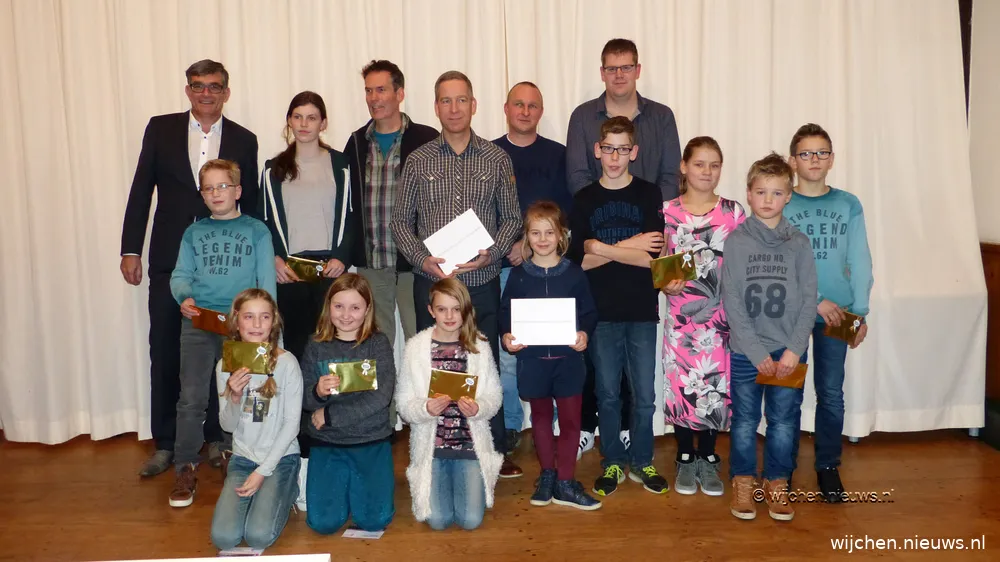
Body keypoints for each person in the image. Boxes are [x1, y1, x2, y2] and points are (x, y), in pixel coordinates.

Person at [120, 59, 259, 477]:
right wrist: (130, 249)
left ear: (226, 92)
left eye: (214, 86)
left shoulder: (244, 139)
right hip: (170, 261)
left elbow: (251, 203)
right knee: (165, 350)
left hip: (226, 267)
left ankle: (217, 438)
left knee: (221, 354)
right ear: (188, 90)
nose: (206, 93)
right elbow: (141, 188)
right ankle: (166, 443)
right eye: (198, 86)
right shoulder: (160, 129)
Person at [390, 70, 524, 478]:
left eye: (461, 99)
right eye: (446, 101)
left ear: (474, 105)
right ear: (436, 107)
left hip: (481, 283)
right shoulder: (418, 160)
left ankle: (494, 451)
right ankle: (433, 450)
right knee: (431, 364)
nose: (454, 108)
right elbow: (400, 221)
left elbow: (512, 217)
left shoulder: (497, 158)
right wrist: (420, 258)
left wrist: (492, 254)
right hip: (433, 285)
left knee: (485, 363)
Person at [259, 90, 354, 512]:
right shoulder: (272, 169)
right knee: (297, 356)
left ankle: (334, 436)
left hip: (331, 271)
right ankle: (299, 450)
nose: (304, 124)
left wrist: (343, 256)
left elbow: (353, 216)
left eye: (312, 117)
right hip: (292, 274)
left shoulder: (342, 165)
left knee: (333, 353)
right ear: (289, 121)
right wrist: (276, 259)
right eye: (297, 116)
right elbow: (265, 219)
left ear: (323, 122)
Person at [168, 159, 277, 507]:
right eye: (209, 188)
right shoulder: (193, 233)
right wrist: (184, 296)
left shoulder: (256, 230)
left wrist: (266, 326)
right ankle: (185, 466)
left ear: (238, 191)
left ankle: (239, 458)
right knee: (192, 397)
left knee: (244, 392)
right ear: (202, 194)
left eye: (223, 186)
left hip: (241, 327)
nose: (216, 193)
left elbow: (267, 283)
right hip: (199, 323)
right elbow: (180, 274)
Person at [567, 116, 667, 497]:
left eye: (622, 149)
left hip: (641, 309)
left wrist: (601, 247)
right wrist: (629, 245)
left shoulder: (649, 194)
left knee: (644, 395)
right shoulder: (584, 199)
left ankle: (642, 460)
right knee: (607, 393)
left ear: (634, 152)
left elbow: (651, 260)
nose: (614, 157)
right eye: (608, 148)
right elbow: (580, 262)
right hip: (601, 310)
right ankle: (611, 460)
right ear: (597, 150)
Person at [721, 153, 817, 522]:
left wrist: (794, 349)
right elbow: (732, 299)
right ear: (748, 193)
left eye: (777, 193)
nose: (767, 200)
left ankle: (777, 482)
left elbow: (809, 300)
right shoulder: (737, 241)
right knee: (745, 420)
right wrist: (755, 350)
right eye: (761, 192)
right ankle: (744, 481)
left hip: (788, 351)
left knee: (783, 420)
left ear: (788, 196)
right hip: (747, 352)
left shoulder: (799, 243)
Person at [783, 123, 874, 501]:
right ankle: (782, 467)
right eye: (806, 153)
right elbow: (780, 263)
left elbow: (860, 259)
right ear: (793, 161)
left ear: (832, 159)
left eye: (821, 152)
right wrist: (814, 298)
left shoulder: (848, 203)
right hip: (791, 311)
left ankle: (827, 466)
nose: (814, 159)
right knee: (786, 391)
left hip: (838, 313)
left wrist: (860, 312)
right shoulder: (782, 201)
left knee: (832, 392)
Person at [500, 201, 600, 510]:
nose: (542, 239)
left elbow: (589, 313)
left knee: (570, 423)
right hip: (532, 363)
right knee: (540, 420)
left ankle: (566, 482)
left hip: (568, 363)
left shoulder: (574, 274)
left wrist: (584, 334)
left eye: (549, 232)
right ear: (526, 237)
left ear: (561, 236)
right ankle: (547, 475)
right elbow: (506, 314)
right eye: (535, 233)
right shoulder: (518, 276)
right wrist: (507, 337)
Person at [661, 137, 745, 496]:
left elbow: (742, 264)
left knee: (714, 385)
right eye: (699, 164)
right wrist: (666, 284)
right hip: (681, 320)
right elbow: (660, 262)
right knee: (682, 385)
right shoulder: (667, 212)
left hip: (719, 321)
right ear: (684, 167)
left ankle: (708, 456)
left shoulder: (733, 212)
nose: (707, 171)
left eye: (714, 165)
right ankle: (684, 455)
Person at [492, 81, 571, 454]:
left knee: (550, 347)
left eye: (533, 105)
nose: (525, 111)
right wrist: (507, 246)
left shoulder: (559, 155)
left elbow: (565, 213)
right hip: (503, 269)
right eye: (518, 104)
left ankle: (553, 424)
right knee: (510, 351)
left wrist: (529, 245)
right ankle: (510, 424)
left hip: (549, 269)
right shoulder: (489, 153)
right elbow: (481, 211)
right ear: (506, 109)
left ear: (541, 112)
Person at [344, 60, 439, 350]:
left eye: (381, 90)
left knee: (423, 342)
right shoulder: (356, 142)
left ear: (399, 93)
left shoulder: (426, 139)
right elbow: (347, 205)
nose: (374, 98)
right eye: (368, 90)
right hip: (372, 264)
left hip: (416, 263)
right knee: (377, 345)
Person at [396, 278, 504, 530]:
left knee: (470, 520)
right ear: (430, 310)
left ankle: (466, 476)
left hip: (469, 446)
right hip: (432, 449)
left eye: (456, 309)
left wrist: (478, 408)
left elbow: (494, 396)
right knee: (438, 520)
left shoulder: (479, 345)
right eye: (442, 309)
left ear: (466, 310)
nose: (449, 316)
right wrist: (425, 408)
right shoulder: (415, 348)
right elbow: (403, 403)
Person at [300, 273, 397, 534]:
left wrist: (330, 414)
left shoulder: (378, 344)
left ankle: (362, 491)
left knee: (374, 521)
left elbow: (381, 397)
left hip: (370, 440)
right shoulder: (315, 345)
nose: (346, 315)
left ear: (367, 309)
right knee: (323, 523)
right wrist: (317, 392)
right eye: (339, 306)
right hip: (327, 442)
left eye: (355, 307)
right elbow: (305, 399)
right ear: (328, 306)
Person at [211, 289, 302, 551]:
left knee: (258, 536)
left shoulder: (287, 363)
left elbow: (292, 425)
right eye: (248, 316)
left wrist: (263, 471)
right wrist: (235, 396)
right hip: (243, 458)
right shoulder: (225, 365)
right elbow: (227, 426)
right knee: (224, 538)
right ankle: (263, 495)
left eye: (264, 317)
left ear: (273, 322)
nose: (257, 324)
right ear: (236, 321)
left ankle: (289, 489)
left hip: (281, 458)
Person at [565, 38, 681, 199]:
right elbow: (577, 178)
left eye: (626, 68)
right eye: (612, 69)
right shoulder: (581, 117)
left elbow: (671, 178)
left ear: (637, 70)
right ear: (602, 73)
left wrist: (646, 209)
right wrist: (610, 209)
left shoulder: (662, 117)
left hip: (651, 213)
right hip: (597, 213)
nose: (619, 75)